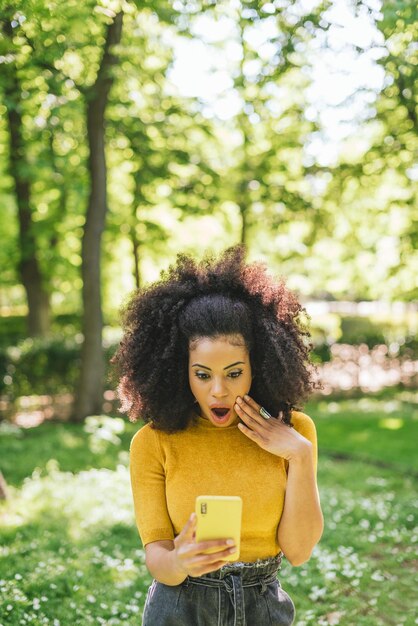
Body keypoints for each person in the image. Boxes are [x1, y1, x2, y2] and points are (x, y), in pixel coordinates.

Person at [113, 246, 324, 626]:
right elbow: (157, 559)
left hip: (264, 608)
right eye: (203, 374)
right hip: (180, 606)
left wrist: (300, 456)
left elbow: (298, 550)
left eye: (233, 372)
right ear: (181, 371)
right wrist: (178, 560)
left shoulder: (296, 433)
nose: (218, 392)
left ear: (257, 367)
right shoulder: (153, 442)